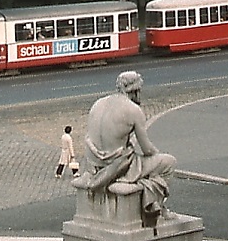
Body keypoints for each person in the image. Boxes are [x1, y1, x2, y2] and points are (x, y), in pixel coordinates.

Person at [74, 71, 177, 223]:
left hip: (94, 164)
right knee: (169, 162)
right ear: (136, 90)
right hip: (118, 166)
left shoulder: (98, 103)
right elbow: (147, 150)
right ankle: (157, 209)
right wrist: (156, 155)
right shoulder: (133, 110)